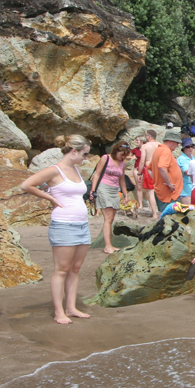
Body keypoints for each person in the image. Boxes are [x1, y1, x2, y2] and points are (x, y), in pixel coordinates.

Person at [20, 135, 93, 325]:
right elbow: (26, 184)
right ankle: (59, 311)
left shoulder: (76, 169)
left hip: (82, 224)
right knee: (61, 269)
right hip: (63, 224)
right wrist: (50, 198)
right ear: (74, 151)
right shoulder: (55, 170)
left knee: (75, 269)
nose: (86, 158)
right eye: (84, 154)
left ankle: (71, 307)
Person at [89, 142, 130, 254]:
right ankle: (108, 246)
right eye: (122, 154)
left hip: (114, 190)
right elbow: (97, 174)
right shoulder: (105, 158)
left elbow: (122, 179)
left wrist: (125, 194)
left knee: (111, 219)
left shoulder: (122, 163)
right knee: (108, 218)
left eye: (125, 155)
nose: (123, 157)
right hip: (103, 188)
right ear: (116, 151)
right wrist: (93, 190)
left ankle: (109, 244)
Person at [152, 131, 183, 213]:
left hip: (164, 190)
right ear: (170, 141)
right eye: (177, 143)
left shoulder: (158, 150)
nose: (178, 145)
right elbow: (162, 167)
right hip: (169, 193)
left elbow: (149, 168)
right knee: (170, 217)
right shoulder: (165, 151)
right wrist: (169, 183)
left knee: (164, 215)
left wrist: (157, 181)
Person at [138, 130, 160, 214]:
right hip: (159, 168)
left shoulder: (145, 146)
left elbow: (142, 161)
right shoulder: (160, 145)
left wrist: (139, 173)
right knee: (159, 190)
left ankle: (154, 213)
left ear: (149, 136)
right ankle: (159, 210)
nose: (145, 137)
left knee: (150, 192)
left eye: (146, 135)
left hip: (149, 168)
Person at [177, 137, 195, 205]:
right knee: (188, 211)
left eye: (192, 146)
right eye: (188, 147)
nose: (190, 148)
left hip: (193, 189)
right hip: (185, 191)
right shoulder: (181, 159)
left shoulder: (192, 158)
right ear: (183, 148)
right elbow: (186, 172)